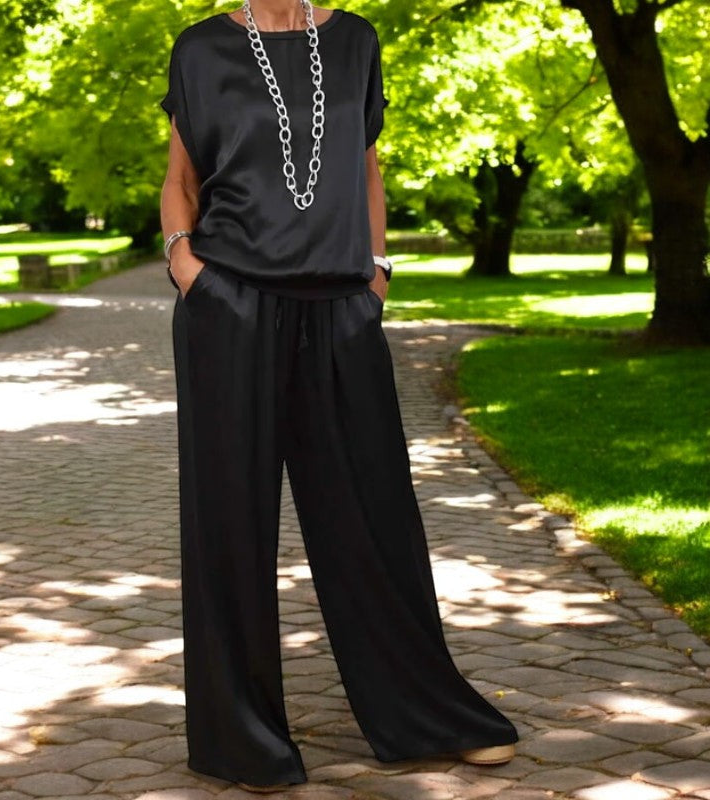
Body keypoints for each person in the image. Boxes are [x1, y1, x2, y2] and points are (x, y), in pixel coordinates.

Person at [159, 0, 519, 792]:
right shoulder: (201, 48)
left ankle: (429, 714)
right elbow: (180, 179)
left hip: (342, 308)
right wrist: (188, 268)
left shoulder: (356, 40)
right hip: (230, 304)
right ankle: (241, 740)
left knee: (374, 513)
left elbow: (366, 167)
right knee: (230, 522)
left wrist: (377, 273)